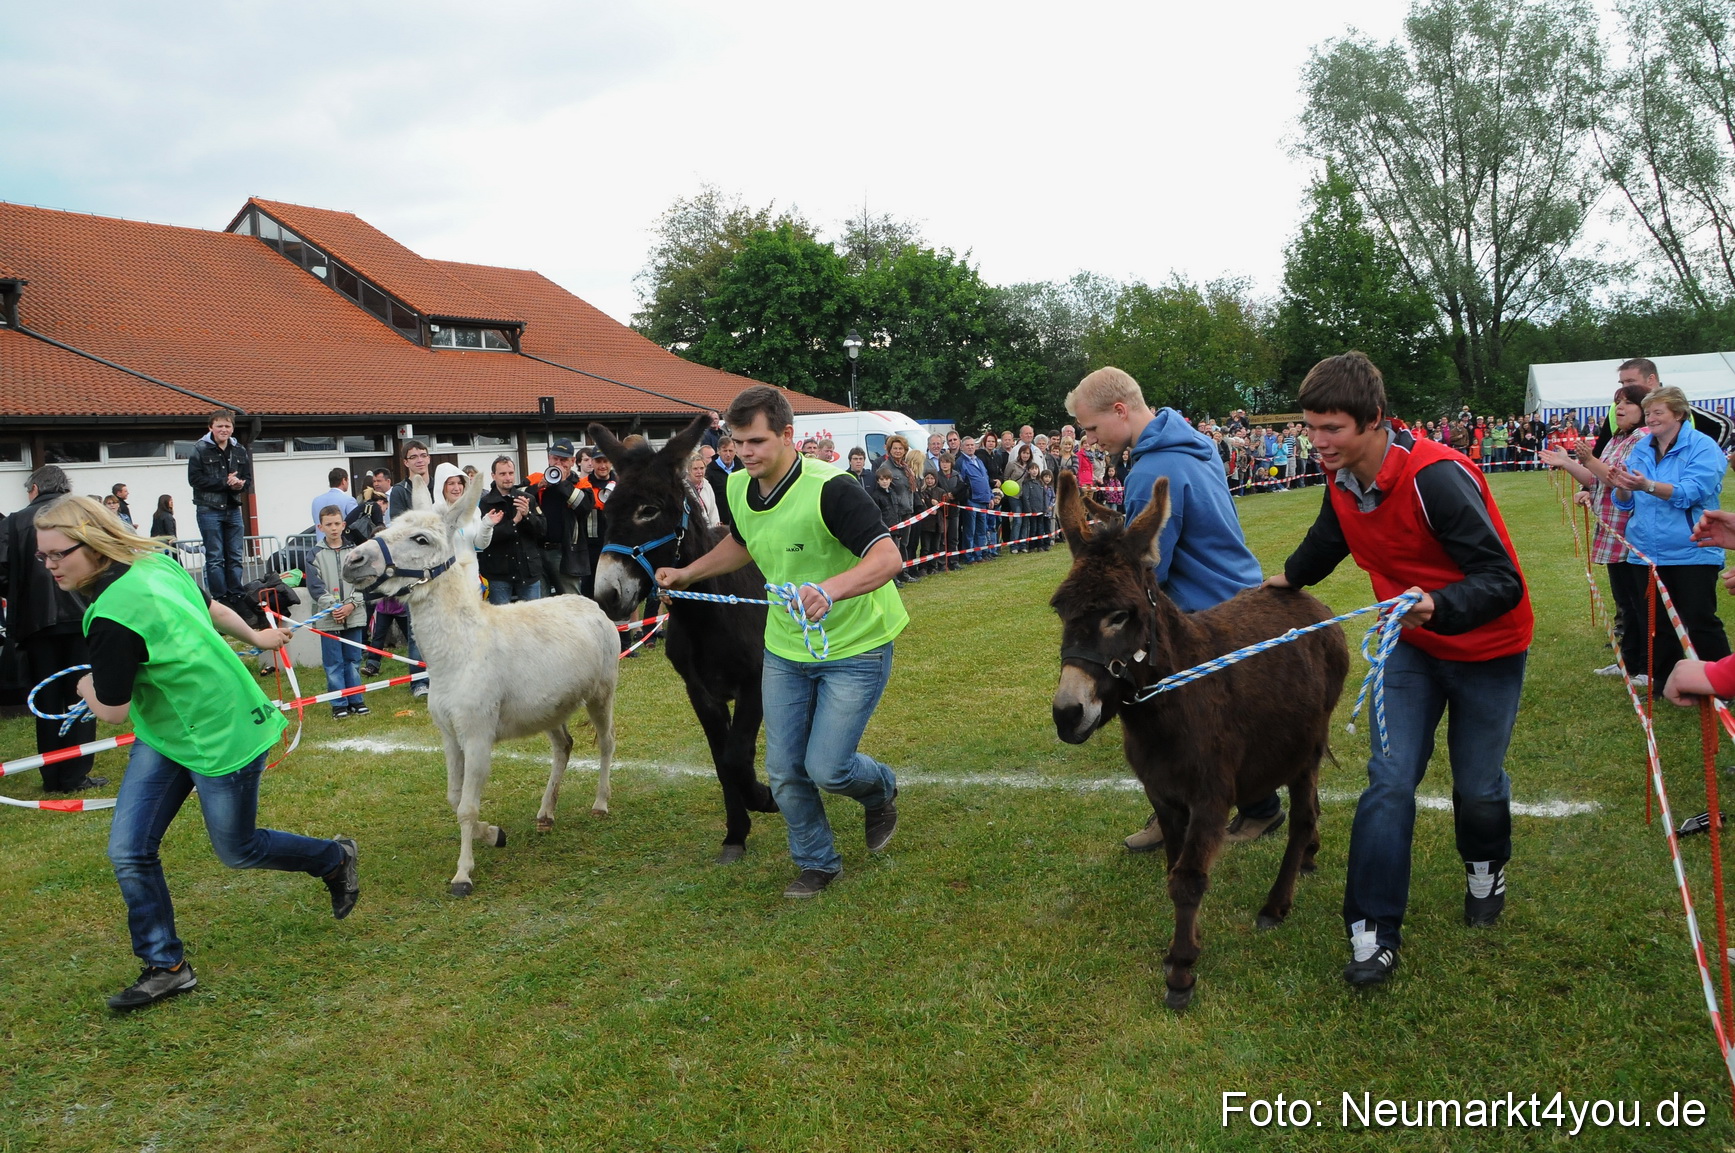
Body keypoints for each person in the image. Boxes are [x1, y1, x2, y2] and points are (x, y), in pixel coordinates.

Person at [1267, 352, 1532, 988]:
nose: (1318, 442)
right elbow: (1331, 536)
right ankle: (1372, 931)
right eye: (1311, 427)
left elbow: (1503, 581)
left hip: (1488, 649)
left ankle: (1485, 866)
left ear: (1375, 419)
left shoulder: (1436, 479)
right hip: (1409, 647)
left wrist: (1439, 604)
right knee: (1388, 780)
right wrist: (1284, 581)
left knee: (1479, 785)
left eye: (1333, 428)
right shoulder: (1338, 476)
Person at [32, 494, 359, 1011]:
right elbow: (214, 609)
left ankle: (334, 858)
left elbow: (112, 709)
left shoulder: (118, 607)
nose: (50, 566)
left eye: (58, 554)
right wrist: (255, 635)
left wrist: (85, 687)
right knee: (129, 851)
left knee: (238, 849)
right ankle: (167, 967)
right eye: (42, 556)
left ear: (94, 543)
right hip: (167, 734)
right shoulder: (154, 564)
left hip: (222, 731)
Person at [654, 385, 907, 899]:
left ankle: (879, 790)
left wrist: (830, 590)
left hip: (856, 645)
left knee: (828, 768)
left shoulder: (831, 488)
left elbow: (888, 558)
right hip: (787, 648)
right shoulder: (739, 488)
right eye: (737, 442)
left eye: (757, 441)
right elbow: (743, 542)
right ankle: (817, 862)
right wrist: (687, 573)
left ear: (788, 435)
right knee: (785, 770)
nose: (744, 452)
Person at [1065, 367, 1281, 853]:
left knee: (1176, 723)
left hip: (1204, 613)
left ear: (1120, 410)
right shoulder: (1193, 445)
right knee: (1228, 720)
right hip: (1239, 597)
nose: (1091, 439)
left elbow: (1145, 573)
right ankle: (1249, 808)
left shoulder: (1151, 471)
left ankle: (1198, 811)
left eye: (1093, 428)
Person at [1607, 384, 1732, 689]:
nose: (1650, 418)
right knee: (1656, 622)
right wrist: (1622, 488)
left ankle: (1721, 683)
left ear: (1678, 414)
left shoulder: (1703, 447)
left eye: (1657, 412)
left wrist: (1647, 485)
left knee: (1699, 619)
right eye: (1647, 413)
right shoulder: (1641, 447)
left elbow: (1692, 493)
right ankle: (1664, 681)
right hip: (1645, 552)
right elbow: (1626, 503)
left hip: (1692, 549)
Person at [0, 465, 105, 793]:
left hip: (35, 624)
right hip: (82, 618)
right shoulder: (82, 514)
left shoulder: (14, 521)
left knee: (45, 701)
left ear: (34, 489)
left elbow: (2, 570)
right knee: (82, 696)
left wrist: (19, 596)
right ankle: (76, 775)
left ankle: (53, 774)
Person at [1538, 383, 1648, 681]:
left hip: (1630, 531)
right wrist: (1568, 463)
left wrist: (1589, 460)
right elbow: (1595, 479)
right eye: (1618, 402)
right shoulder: (1617, 438)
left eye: (1628, 402)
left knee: (1639, 603)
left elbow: (1618, 480)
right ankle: (1629, 663)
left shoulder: (1642, 439)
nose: (1620, 408)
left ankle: (1645, 667)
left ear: (1644, 410)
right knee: (1625, 602)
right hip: (1612, 530)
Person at [305, 506, 370, 720]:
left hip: (354, 614)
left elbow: (364, 581)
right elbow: (315, 587)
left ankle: (356, 700)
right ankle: (338, 703)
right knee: (333, 663)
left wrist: (351, 604)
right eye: (328, 524)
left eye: (337, 524)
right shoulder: (314, 554)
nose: (333, 528)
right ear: (320, 527)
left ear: (343, 525)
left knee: (353, 659)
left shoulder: (356, 551)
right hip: (328, 617)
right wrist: (334, 607)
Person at [186, 409, 252, 600]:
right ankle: (220, 597)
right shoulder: (200, 448)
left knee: (235, 556)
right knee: (215, 557)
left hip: (233, 508)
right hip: (209, 509)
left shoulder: (239, 449)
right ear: (211, 428)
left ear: (232, 428)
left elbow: (248, 479)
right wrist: (225, 482)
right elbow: (194, 480)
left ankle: (237, 595)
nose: (224, 429)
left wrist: (240, 484)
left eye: (227, 426)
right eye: (219, 426)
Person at [387, 441, 436, 697]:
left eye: (423, 455)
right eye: (413, 456)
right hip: (415, 567)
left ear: (429, 458)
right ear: (405, 462)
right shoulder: (399, 491)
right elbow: (400, 527)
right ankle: (419, 681)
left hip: (441, 563)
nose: (419, 460)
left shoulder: (440, 485)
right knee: (417, 627)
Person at [478, 456, 545, 605]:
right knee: (500, 618)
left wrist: (528, 515)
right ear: (493, 476)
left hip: (528, 571)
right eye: (502, 474)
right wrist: (513, 522)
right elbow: (486, 538)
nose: (508, 478)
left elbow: (542, 530)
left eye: (511, 473)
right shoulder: (486, 503)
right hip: (498, 573)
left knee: (531, 617)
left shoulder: (527, 498)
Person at [537, 439, 593, 597]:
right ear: (549, 459)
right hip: (538, 551)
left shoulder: (580, 484)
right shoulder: (538, 479)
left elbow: (584, 507)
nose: (558, 463)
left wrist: (562, 483)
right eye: (555, 459)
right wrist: (537, 487)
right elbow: (520, 495)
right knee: (540, 604)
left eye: (563, 460)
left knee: (570, 600)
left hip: (564, 552)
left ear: (572, 461)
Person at [707, 435, 739, 526]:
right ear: (718, 451)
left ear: (735, 451)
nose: (728, 454)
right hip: (721, 522)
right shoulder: (709, 471)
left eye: (730, 451)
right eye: (725, 451)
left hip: (739, 520)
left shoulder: (742, 468)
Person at [687, 450, 721, 528]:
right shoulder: (684, 488)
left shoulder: (707, 485)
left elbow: (713, 511)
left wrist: (716, 529)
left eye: (702, 468)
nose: (699, 472)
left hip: (708, 530)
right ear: (689, 470)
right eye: (695, 469)